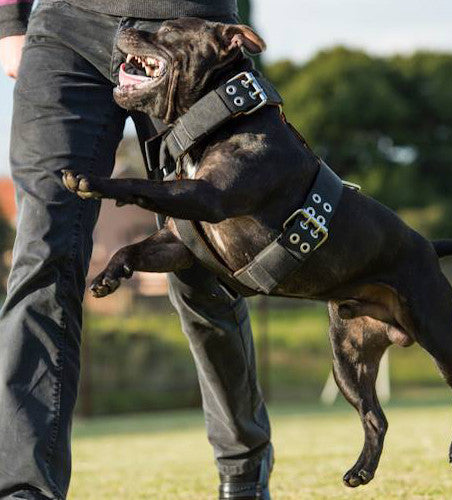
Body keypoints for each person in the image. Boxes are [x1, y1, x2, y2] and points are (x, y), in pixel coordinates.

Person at [0, 1, 272, 499]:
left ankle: (242, 468)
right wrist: (9, 20)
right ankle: (24, 488)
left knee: (199, 258)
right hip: (65, 28)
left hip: (190, 28)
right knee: (43, 253)